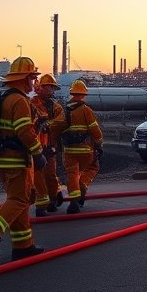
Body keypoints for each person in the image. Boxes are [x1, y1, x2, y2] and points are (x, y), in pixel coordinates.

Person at [0, 56, 47, 261]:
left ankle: (23, 246)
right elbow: (24, 131)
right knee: (20, 199)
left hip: (1, 158)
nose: (34, 83)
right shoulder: (19, 100)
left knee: (18, 199)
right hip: (15, 159)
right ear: (25, 79)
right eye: (32, 78)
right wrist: (38, 152)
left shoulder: (6, 98)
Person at [58, 80, 103, 214]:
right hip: (85, 149)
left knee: (72, 173)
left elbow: (58, 129)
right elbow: (95, 130)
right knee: (93, 167)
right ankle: (82, 185)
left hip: (68, 150)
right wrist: (99, 143)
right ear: (83, 95)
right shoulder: (86, 110)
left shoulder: (64, 110)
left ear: (71, 93)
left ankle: (74, 202)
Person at [30, 74, 66, 216]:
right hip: (35, 145)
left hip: (50, 145)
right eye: (49, 87)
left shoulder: (55, 107)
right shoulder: (31, 104)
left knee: (50, 174)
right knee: (38, 175)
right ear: (41, 87)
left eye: (52, 87)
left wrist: (48, 124)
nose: (51, 90)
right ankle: (41, 204)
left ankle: (52, 199)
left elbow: (61, 121)